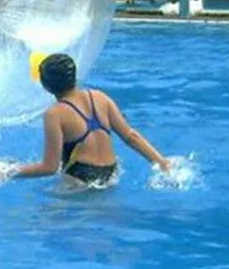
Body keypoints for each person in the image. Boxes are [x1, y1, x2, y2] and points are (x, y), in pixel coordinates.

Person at [14, 53, 171, 187]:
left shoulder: (54, 114)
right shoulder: (100, 97)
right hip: (110, 173)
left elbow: (49, 167)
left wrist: (9, 172)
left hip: (80, 176)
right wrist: (162, 162)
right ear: (74, 77)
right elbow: (131, 136)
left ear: (46, 87)